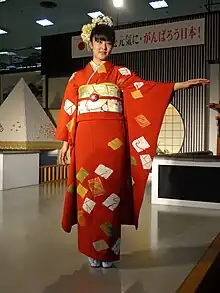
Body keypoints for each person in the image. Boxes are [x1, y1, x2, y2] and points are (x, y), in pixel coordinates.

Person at [55, 16, 209, 268]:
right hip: (84, 140)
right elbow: (69, 110)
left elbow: (147, 89)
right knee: (88, 196)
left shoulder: (120, 74)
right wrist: (65, 143)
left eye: (108, 43)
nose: (104, 47)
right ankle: (92, 250)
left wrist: (179, 86)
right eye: (99, 42)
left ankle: (109, 251)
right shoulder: (76, 78)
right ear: (91, 43)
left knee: (110, 194)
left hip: (112, 139)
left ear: (113, 46)